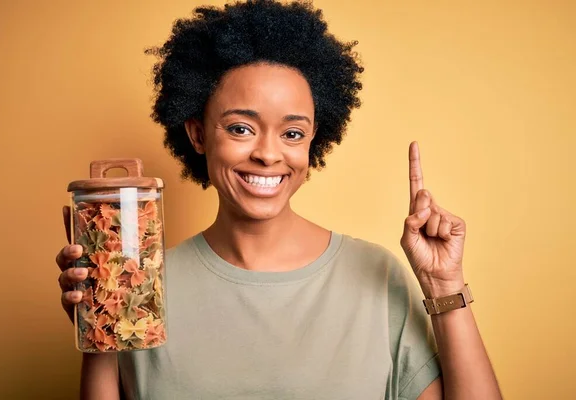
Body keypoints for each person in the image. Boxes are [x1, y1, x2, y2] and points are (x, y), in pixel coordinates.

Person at [56, 0, 502, 398]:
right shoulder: (142, 287)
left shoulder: (377, 274)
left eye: (292, 133)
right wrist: (98, 321)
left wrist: (445, 285)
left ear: (313, 142)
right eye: (240, 128)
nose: (269, 154)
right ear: (196, 134)